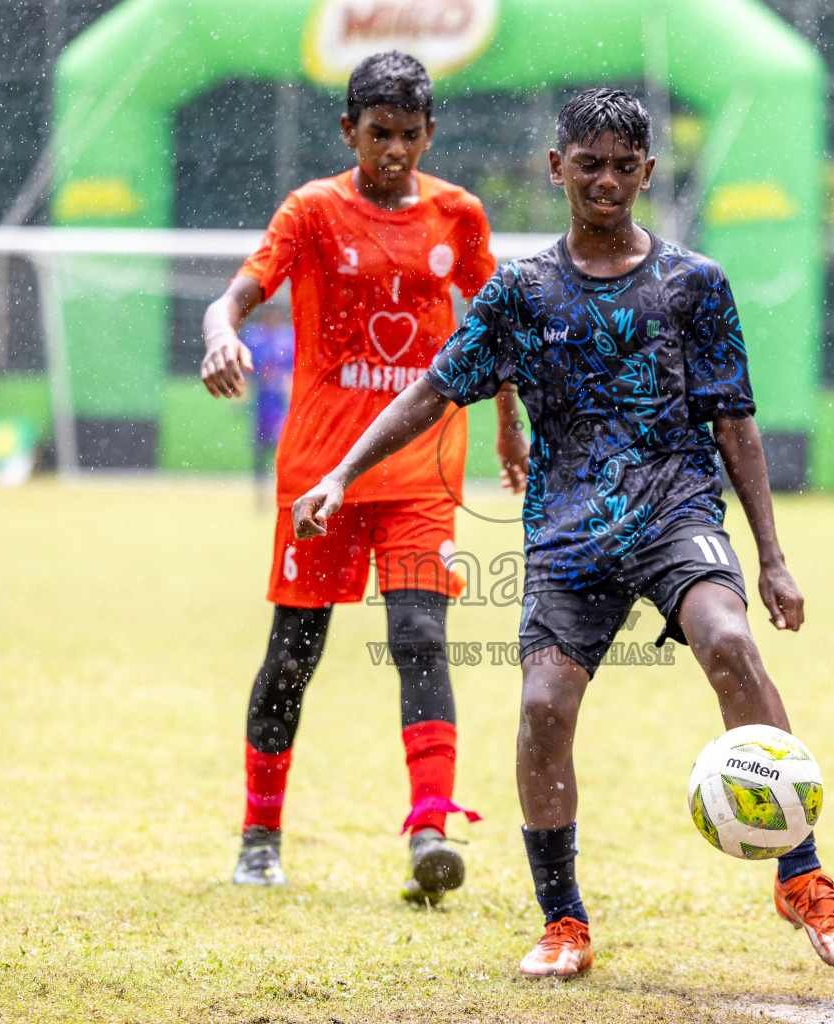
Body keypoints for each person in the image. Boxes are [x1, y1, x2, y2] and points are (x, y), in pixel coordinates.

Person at [291, 88, 834, 975]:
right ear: (557, 168)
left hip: (676, 510)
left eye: (623, 165)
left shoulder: (694, 285)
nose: (606, 180)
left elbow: (735, 425)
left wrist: (773, 558)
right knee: (541, 707)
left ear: (646, 172)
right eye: (587, 163)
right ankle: (563, 920)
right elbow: (432, 391)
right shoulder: (521, 291)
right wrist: (341, 472)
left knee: (729, 641)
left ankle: (803, 878)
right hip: (568, 533)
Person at [200, 51, 526, 902]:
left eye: (410, 136)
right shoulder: (311, 211)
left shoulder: (458, 215)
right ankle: (261, 834)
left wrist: (509, 424)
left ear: (428, 135)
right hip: (320, 479)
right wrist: (219, 335)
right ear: (349, 130)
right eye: (379, 133)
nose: (394, 151)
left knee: (421, 637)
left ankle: (429, 831)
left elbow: (500, 332)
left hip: (421, 469)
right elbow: (232, 298)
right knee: (293, 656)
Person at [238, 307, 293, 511]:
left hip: (280, 407)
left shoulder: (287, 339)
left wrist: (285, 385)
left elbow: (293, 371)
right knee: (260, 453)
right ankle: (260, 496)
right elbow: (247, 370)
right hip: (260, 406)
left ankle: (284, 493)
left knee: (282, 452)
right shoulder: (253, 337)